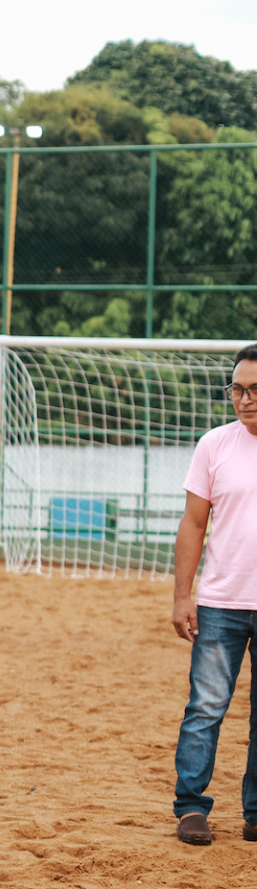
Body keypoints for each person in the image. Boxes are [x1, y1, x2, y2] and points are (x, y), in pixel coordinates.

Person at [169, 342, 257, 846]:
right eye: (237, 390)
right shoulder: (214, 445)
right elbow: (193, 524)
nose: (244, 400)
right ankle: (191, 808)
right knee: (205, 707)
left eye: (253, 390)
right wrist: (184, 597)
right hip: (221, 603)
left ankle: (256, 812)